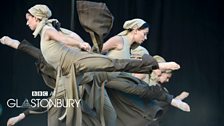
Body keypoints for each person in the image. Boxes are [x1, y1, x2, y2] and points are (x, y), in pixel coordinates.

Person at [1, 4, 180, 126]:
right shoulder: (47, 36)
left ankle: (159, 70)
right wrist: (20, 116)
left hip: (89, 69)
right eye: (144, 33)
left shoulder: (49, 31)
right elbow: (96, 50)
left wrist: (82, 46)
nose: (27, 22)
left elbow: (68, 39)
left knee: (111, 104)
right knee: (56, 103)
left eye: (29, 19)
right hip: (79, 74)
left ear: (37, 18)